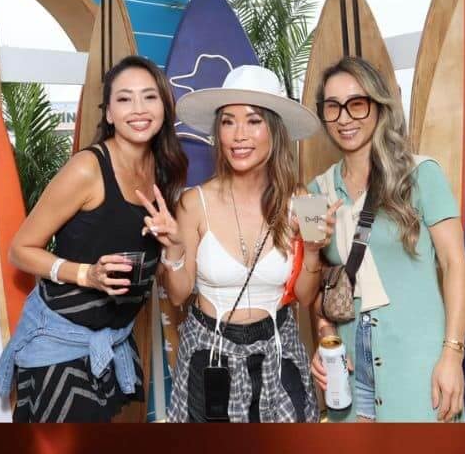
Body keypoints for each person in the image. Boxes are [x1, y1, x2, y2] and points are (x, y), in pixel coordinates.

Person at [0, 55, 187, 422]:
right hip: (59, 344)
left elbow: (169, 279)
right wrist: (87, 275)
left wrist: (174, 243)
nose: (138, 109)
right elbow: (20, 250)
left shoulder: (162, 169)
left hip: (111, 341)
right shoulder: (87, 169)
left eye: (149, 97)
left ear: (164, 106)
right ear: (109, 113)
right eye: (125, 99)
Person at [141, 65, 335, 423]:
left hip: (278, 355)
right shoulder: (193, 203)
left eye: (253, 121)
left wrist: (311, 250)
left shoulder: (305, 202)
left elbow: (306, 297)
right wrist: (174, 248)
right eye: (228, 122)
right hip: (209, 357)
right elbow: (179, 295)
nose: (239, 135)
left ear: (275, 131)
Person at [307, 56, 465, 423]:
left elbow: (455, 264)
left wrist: (453, 354)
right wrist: (325, 336)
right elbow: (317, 285)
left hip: (418, 361)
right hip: (349, 368)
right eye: (333, 107)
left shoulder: (421, 174)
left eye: (356, 104)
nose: (344, 118)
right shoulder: (314, 194)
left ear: (379, 106)